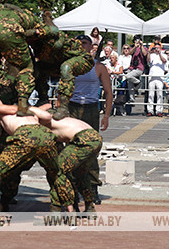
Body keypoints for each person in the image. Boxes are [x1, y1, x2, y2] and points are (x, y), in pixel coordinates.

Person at [0, 4, 58, 116]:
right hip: (11, 32)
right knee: (26, 67)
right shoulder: (28, 16)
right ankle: (22, 104)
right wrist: (42, 25)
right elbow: (52, 30)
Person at [67, 34, 113, 205]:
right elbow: (61, 91)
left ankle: (92, 188)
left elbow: (108, 92)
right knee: (71, 149)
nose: (81, 45)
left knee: (91, 150)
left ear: (91, 46)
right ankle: (72, 187)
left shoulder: (98, 67)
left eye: (84, 43)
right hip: (72, 108)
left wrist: (106, 115)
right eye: (78, 43)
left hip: (91, 109)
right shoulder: (69, 66)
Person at [31, 105, 103, 212]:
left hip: (83, 139)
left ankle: (59, 208)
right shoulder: (61, 119)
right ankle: (89, 207)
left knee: (57, 171)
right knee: (80, 173)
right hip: (95, 138)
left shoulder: (43, 122)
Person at [31, 33, 94, 119]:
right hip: (57, 65)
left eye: (84, 43)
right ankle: (43, 100)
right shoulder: (33, 42)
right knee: (36, 68)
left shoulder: (54, 37)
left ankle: (63, 107)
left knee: (66, 68)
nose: (81, 44)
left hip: (89, 104)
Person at [146, 43, 167, 116]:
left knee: (159, 94)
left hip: (160, 77)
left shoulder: (164, 54)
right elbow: (148, 61)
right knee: (151, 94)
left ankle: (159, 110)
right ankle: (150, 110)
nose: (157, 49)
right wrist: (149, 52)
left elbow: (164, 61)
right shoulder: (152, 55)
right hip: (152, 76)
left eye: (158, 48)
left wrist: (160, 54)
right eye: (156, 48)